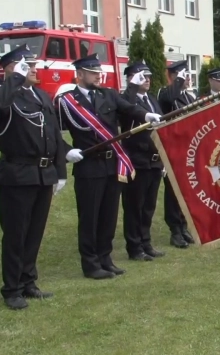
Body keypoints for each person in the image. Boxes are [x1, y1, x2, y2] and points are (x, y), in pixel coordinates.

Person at [58, 53, 161, 279]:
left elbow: (129, 108)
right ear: (81, 74)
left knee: (108, 216)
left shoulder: (109, 95)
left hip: (112, 164)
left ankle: (105, 258)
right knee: (90, 217)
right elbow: (51, 132)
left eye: (99, 72)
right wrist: (66, 150)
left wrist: (146, 114)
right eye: (93, 73)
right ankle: (91, 263)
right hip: (89, 166)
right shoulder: (68, 100)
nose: (98, 76)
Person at [0, 45, 67, 310]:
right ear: (9, 68)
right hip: (18, 174)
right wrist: (13, 78)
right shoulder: (7, 95)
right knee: (16, 234)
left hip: (43, 174)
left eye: (32, 65)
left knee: (34, 232)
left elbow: (55, 136)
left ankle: (28, 280)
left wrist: (60, 171)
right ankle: (11, 287)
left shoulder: (40, 95)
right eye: (25, 65)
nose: (33, 69)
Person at [119, 63, 165, 261]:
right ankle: (134, 246)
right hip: (136, 160)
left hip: (154, 161)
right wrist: (131, 87)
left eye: (148, 77)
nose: (147, 80)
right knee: (134, 206)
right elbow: (126, 111)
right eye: (141, 77)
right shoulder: (125, 99)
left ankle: (146, 242)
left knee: (148, 206)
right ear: (131, 78)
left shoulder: (152, 100)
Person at [157, 60, 195, 248]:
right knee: (173, 192)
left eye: (186, 76)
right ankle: (175, 231)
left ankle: (183, 225)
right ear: (172, 76)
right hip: (172, 148)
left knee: (185, 191)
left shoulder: (189, 97)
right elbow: (168, 101)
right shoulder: (165, 93)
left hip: (188, 148)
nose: (186, 79)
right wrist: (177, 82)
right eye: (181, 76)